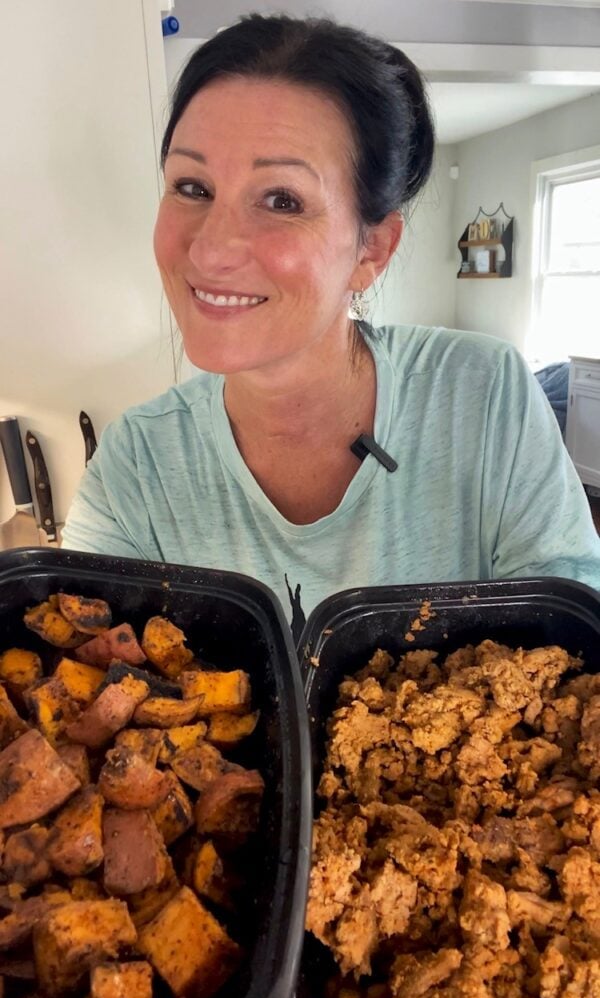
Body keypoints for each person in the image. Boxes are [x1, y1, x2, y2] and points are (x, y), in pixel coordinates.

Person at [62, 14, 600, 640]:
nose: (209, 252)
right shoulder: (137, 467)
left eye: (281, 200)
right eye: (192, 186)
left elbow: (573, 654)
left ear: (372, 249)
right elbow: (78, 675)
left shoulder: (482, 393)